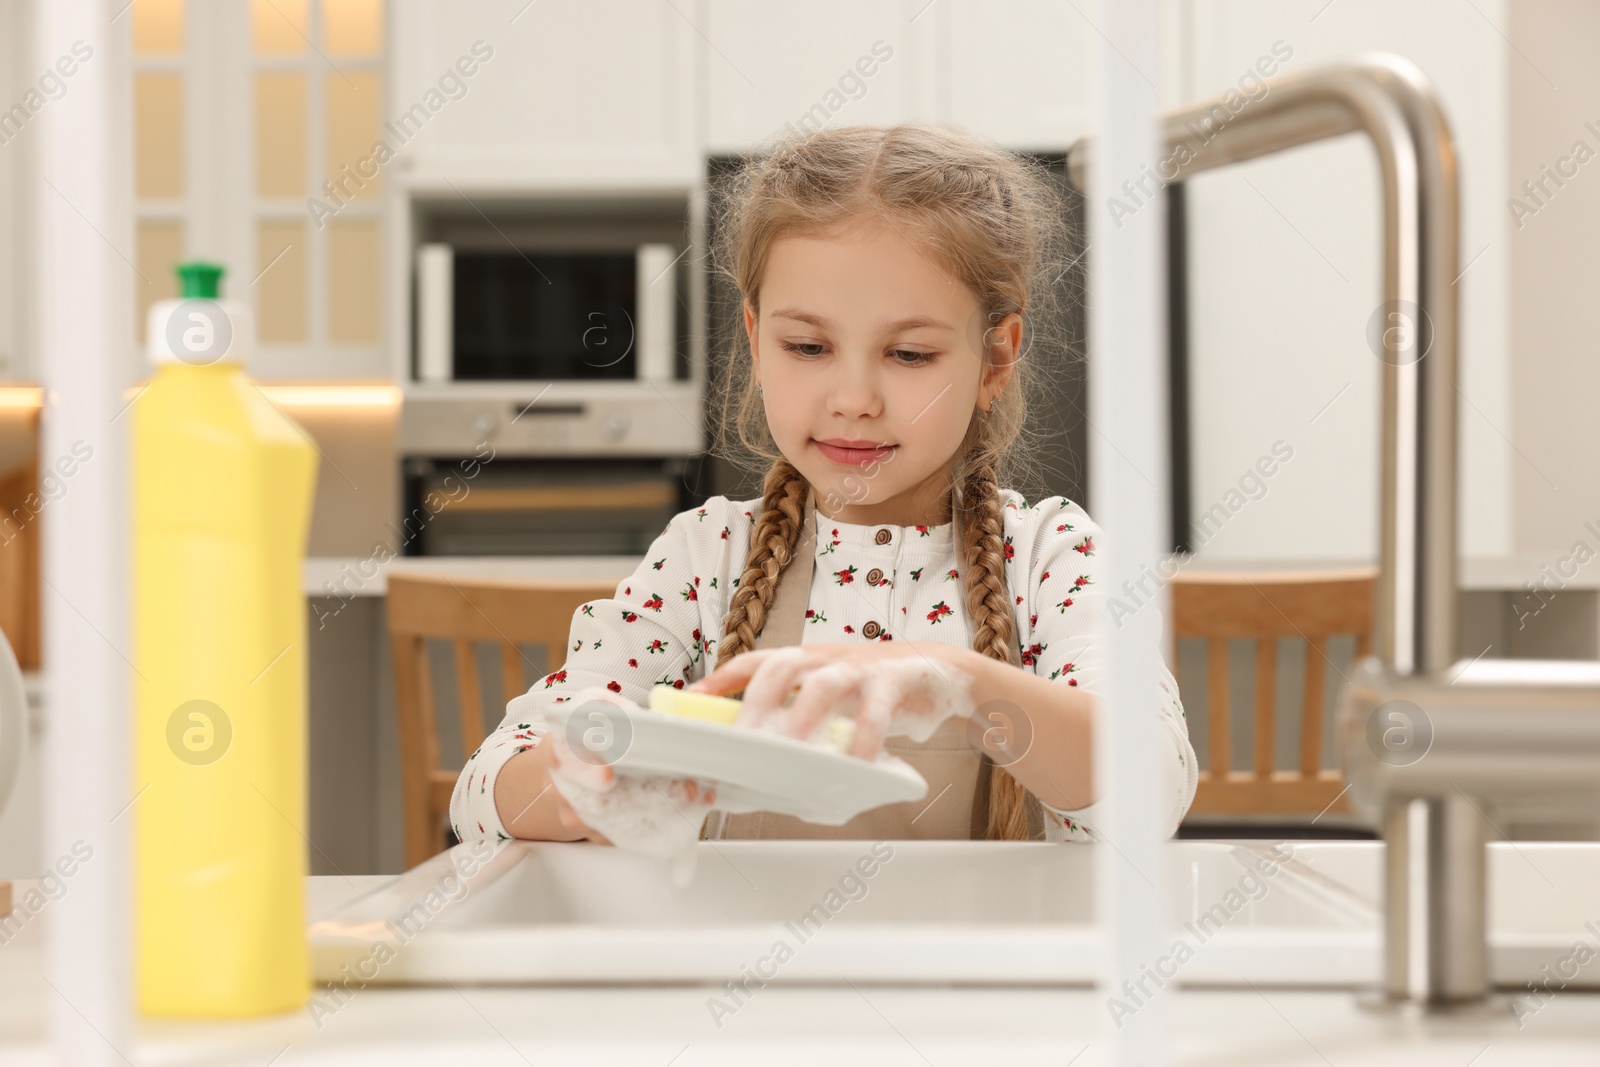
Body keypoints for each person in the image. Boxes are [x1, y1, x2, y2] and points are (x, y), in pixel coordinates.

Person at [450, 122, 1197, 848]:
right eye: (807, 346)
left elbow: (1150, 785)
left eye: (908, 354)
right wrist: (578, 779)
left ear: (995, 361)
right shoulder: (703, 555)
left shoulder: (1049, 558)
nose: (853, 398)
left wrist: (963, 685)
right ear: (755, 339)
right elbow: (485, 786)